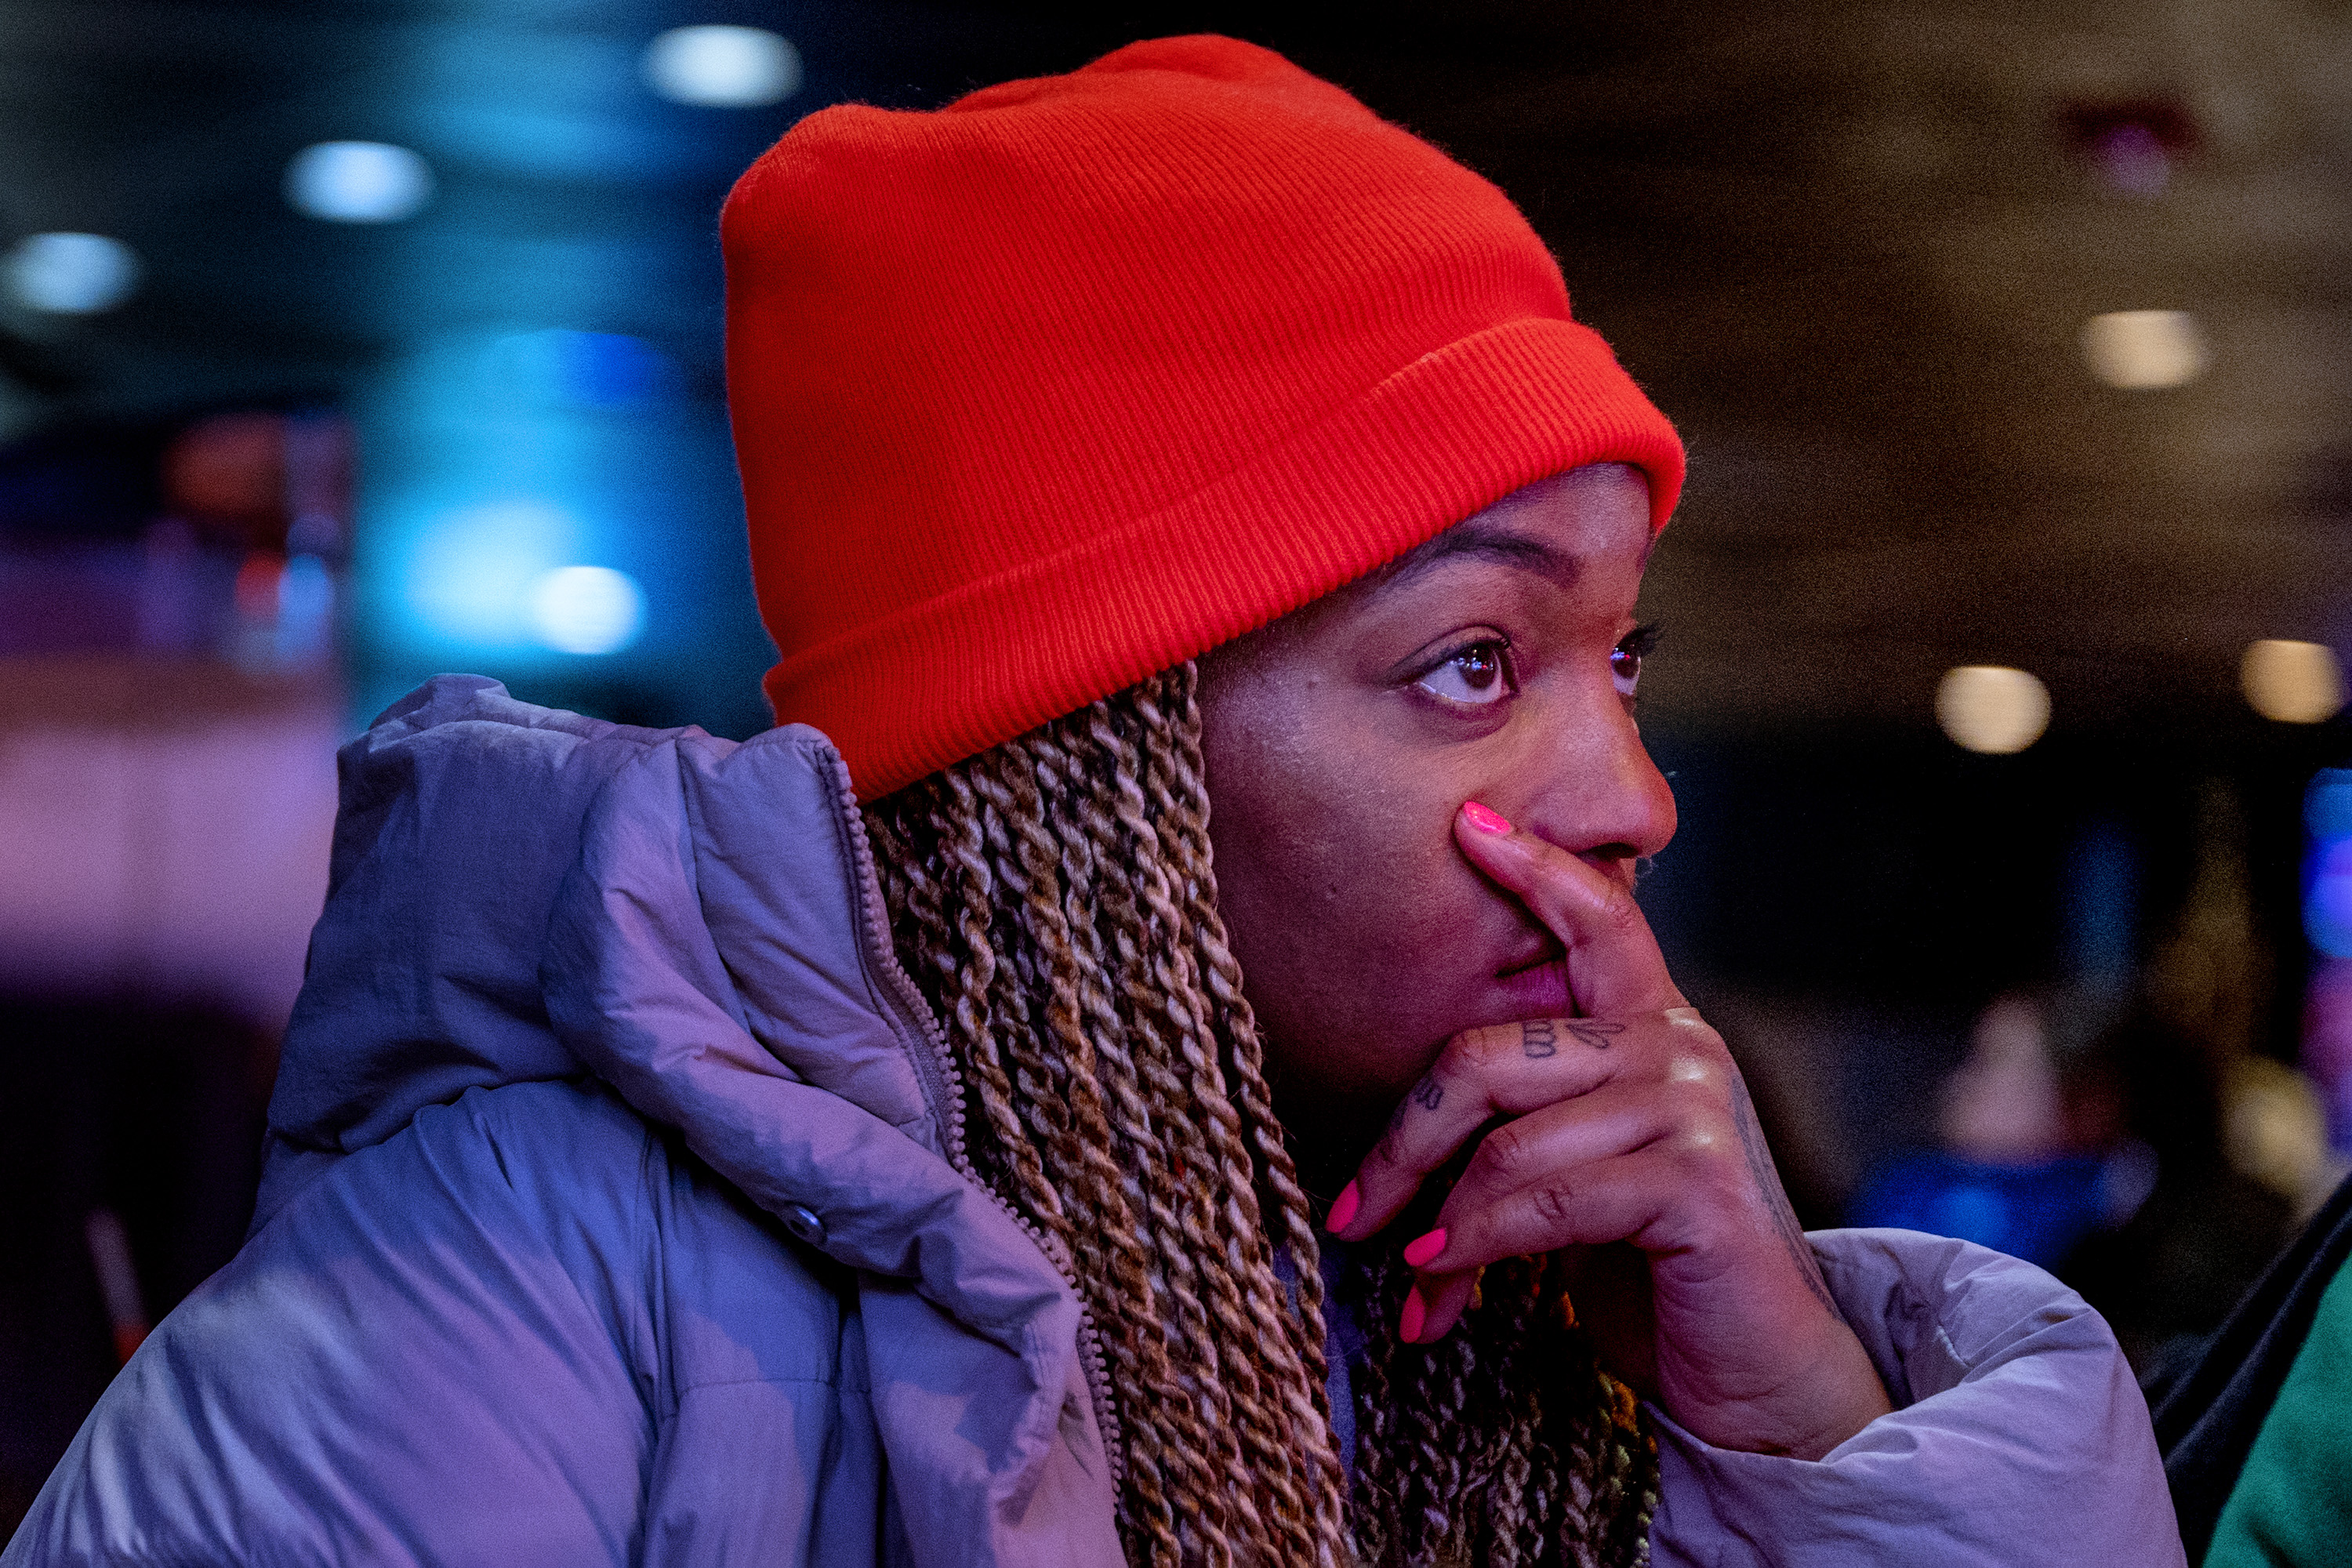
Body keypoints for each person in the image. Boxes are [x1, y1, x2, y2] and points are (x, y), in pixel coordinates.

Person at [5, 35, 2180, 1568]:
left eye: (1621, 658)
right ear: (1098, 772)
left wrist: (1796, 1430)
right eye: (1469, 666)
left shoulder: (1577, 1323)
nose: (1627, 798)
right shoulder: (510, 1307)